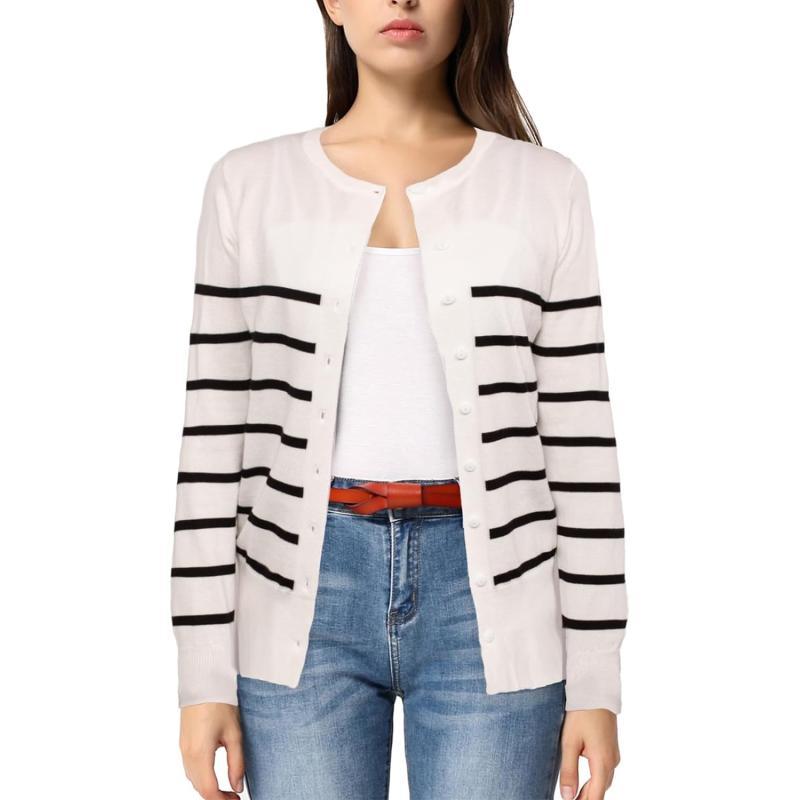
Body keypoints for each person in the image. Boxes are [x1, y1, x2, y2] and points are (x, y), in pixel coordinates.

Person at [171, 1, 627, 798]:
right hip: (296, 598)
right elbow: (214, 434)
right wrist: (203, 673)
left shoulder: (545, 187)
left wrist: (596, 678)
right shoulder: (248, 184)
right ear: (331, 3)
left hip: (497, 602)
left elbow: (580, 442)